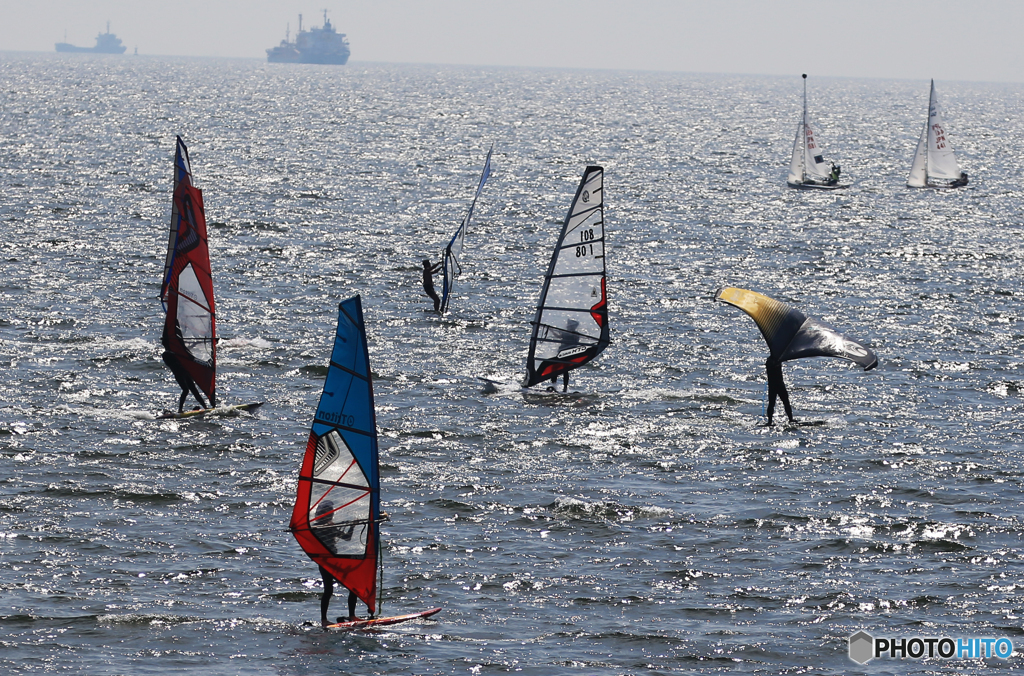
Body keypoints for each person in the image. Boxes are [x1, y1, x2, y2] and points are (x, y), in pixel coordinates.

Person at [161, 325, 209, 413]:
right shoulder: (166, 354)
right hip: (179, 374)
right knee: (186, 390)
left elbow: (186, 351)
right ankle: (180, 410)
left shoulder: (176, 352)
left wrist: (196, 343)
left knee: (194, 390)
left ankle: (205, 407)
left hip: (185, 372)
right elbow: (177, 355)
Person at [765, 356, 795, 426]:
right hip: (773, 385)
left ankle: (791, 419)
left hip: (780, 384)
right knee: (772, 403)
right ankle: (769, 421)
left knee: (786, 402)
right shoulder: (770, 362)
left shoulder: (778, 360)